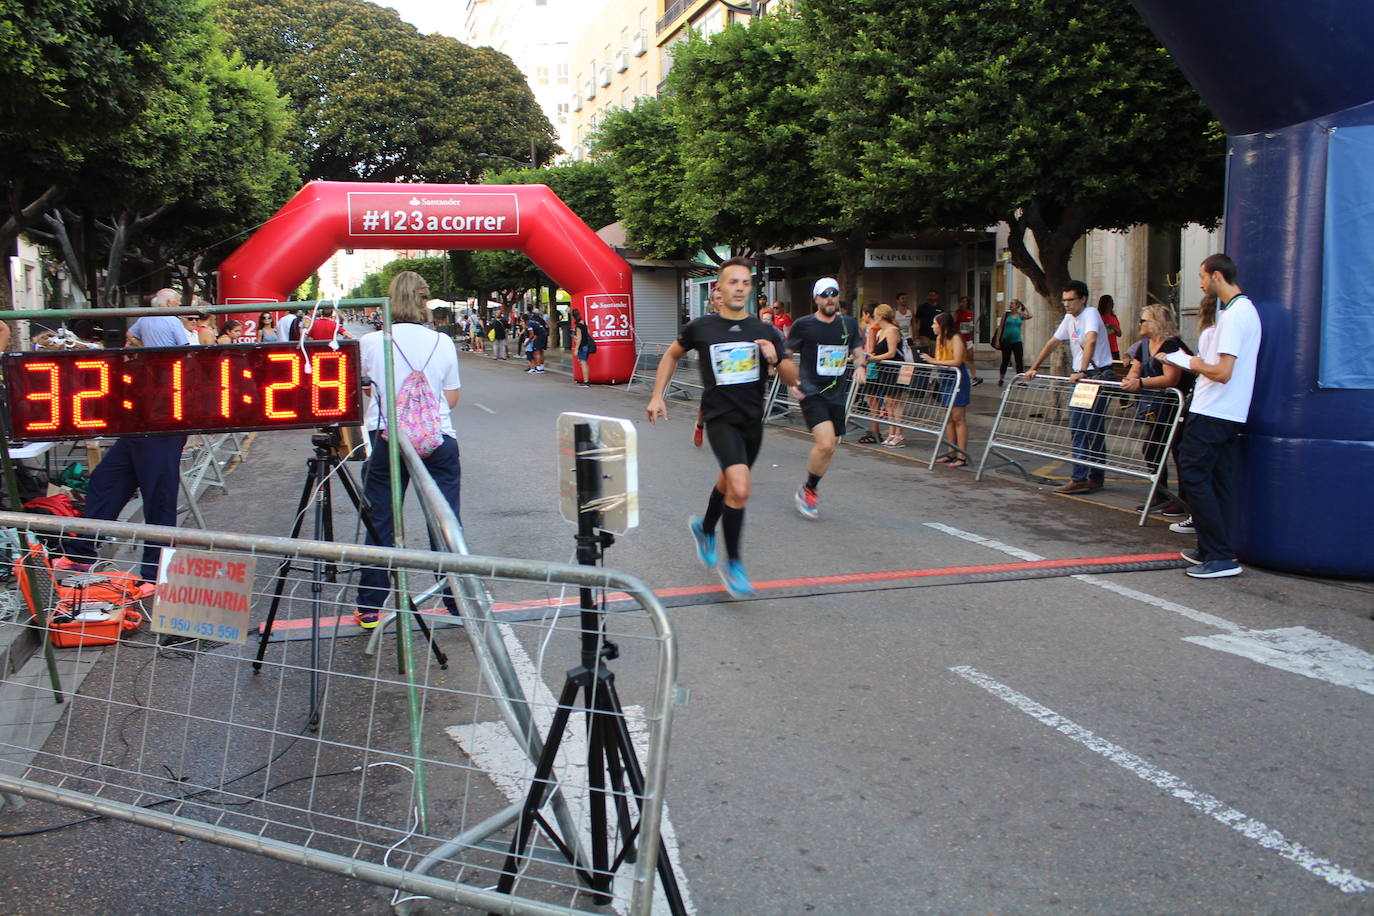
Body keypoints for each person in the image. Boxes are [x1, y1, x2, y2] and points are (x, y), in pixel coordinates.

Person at [646, 257, 796, 598]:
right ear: (719, 288)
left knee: (728, 481)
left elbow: (791, 377)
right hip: (719, 419)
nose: (740, 288)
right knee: (740, 488)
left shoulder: (765, 330)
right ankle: (735, 564)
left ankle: (705, 528)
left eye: (745, 282)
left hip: (751, 422)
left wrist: (774, 357)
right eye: (733, 282)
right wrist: (658, 396)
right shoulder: (702, 328)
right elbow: (671, 356)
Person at [57, 289, 194, 585]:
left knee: (158, 500)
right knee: (105, 481)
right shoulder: (164, 324)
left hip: (164, 422)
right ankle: (82, 554)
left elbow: (188, 359)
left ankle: (154, 575)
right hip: (138, 422)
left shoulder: (156, 323)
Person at [354, 271, 462, 627]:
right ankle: (456, 599)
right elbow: (452, 397)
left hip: (388, 439)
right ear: (424, 300)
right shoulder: (442, 342)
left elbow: (370, 392)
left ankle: (370, 605)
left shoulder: (371, 343)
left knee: (381, 521)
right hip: (439, 439)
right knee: (446, 523)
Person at [1172, 254, 1262, 579]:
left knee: (1193, 476)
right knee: (1218, 481)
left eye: (1202, 276)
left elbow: (1223, 372)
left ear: (1217, 276)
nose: (1200, 283)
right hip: (1228, 413)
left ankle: (1220, 556)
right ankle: (1214, 550)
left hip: (1213, 411)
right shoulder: (1240, 312)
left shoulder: (1236, 316)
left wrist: (1192, 363)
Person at [786, 277, 865, 519]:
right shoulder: (803, 325)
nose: (830, 298)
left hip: (836, 394)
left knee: (829, 449)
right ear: (816, 299)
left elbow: (858, 352)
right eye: (824, 294)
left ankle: (809, 487)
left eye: (834, 293)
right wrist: (791, 381)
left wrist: (861, 366)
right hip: (811, 391)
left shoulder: (848, 324)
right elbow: (785, 354)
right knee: (826, 444)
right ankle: (809, 491)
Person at [1026, 279, 1115, 493]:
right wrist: (1034, 367)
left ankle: (1085, 477)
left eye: (1071, 300)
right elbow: (1052, 342)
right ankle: (1088, 477)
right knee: (1082, 428)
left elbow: (1091, 340)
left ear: (1083, 299)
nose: (1067, 304)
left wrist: (1082, 371)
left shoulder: (1090, 313)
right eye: (1064, 300)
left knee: (1087, 428)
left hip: (1094, 375)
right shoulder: (1069, 318)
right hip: (1085, 377)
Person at [1120, 305, 1192, 517]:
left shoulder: (1171, 346)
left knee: (1178, 451)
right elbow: (1135, 368)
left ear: (1157, 323)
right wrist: (1130, 379)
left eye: (1144, 320)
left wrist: (1140, 383)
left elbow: (1171, 379)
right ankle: (1161, 493)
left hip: (1176, 405)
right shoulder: (1144, 345)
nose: (1140, 324)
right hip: (1156, 406)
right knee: (1153, 449)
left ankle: (1183, 499)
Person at [920, 311, 973, 467]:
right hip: (945, 377)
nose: (932, 326)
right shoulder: (939, 339)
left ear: (942, 325)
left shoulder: (955, 338)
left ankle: (961, 456)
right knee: (948, 419)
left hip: (957, 378)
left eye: (935, 323)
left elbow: (957, 361)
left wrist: (934, 361)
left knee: (958, 418)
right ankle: (951, 452)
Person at [867, 304, 907, 447]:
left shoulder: (892, 330)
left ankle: (899, 434)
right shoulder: (880, 332)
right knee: (888, 401)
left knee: (894, 402)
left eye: (876, 315)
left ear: (881, 316)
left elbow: (891, 353)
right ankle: (891, 432)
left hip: (895, 368)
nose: (874, 318)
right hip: (884, 369)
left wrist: (873, 359)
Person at [994, 299, 1032, 385]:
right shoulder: (1006, 315)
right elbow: (1000, 328)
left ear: (1017, 306)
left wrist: (1024, 307)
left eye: (1012, 303)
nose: (1010, 305)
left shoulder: (1020, 315)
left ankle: (1020, 381)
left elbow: (1030, 315)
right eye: (1010, 303)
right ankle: (1001, 379)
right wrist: (997, 340)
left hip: (1017, 341)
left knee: (1019, 361)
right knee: (1005, 361)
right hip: (1006, 341)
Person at [954, 295, 982, 386]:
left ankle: (974, 378)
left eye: (964, 302)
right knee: (960, 359)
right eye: (961, 302)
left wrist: (972, 326)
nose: (962, 304)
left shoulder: (970, 312)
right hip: (960, 339)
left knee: (971, 358)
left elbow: (970, 325)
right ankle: (959, 377)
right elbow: (953, 324)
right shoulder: (957, 312)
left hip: (968, 339)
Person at [915, 289, 943, 354]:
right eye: (930, 295)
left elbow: (942, 323)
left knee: (935, 354)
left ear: (937, 296)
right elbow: (916, 321)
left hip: (935, 336)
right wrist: (916, 335)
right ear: (927, 296)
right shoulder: (922, 307)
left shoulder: (940, 309)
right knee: (925, 353)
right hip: (924, 335)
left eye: (933, 295)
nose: (932, 297)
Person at [571, 308, 593, 387]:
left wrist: (576, 349)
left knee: (583, 363)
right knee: (585, 363)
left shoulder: (578, 326)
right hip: (586, 345)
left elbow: (579, 338)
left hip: (582, 346)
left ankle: (586, 382)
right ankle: (586, 380)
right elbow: (589, 332)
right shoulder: (583, 323)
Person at [1098, 295, 1122, 364]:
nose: (1112, 304)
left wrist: (1112, 326)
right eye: (1110, 302)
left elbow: (1119, 333)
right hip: (1103, 350)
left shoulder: (1114, 318)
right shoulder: (1099, 317)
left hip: (1114, 349)